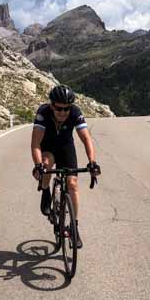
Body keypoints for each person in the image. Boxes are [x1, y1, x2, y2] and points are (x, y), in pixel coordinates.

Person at [31, 85, 100, 249]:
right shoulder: (43, 113)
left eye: (66, 109)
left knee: (72, 183)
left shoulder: (75, 112)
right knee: (47, 165)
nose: (62, 112)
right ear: (51, 105)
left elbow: (86, 139)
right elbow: (35, 144)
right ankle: (46, 191)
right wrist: (38, 165)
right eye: (58, 108)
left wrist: (92, 162)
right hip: (48, 146)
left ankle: (74, 227)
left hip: (66, 147)